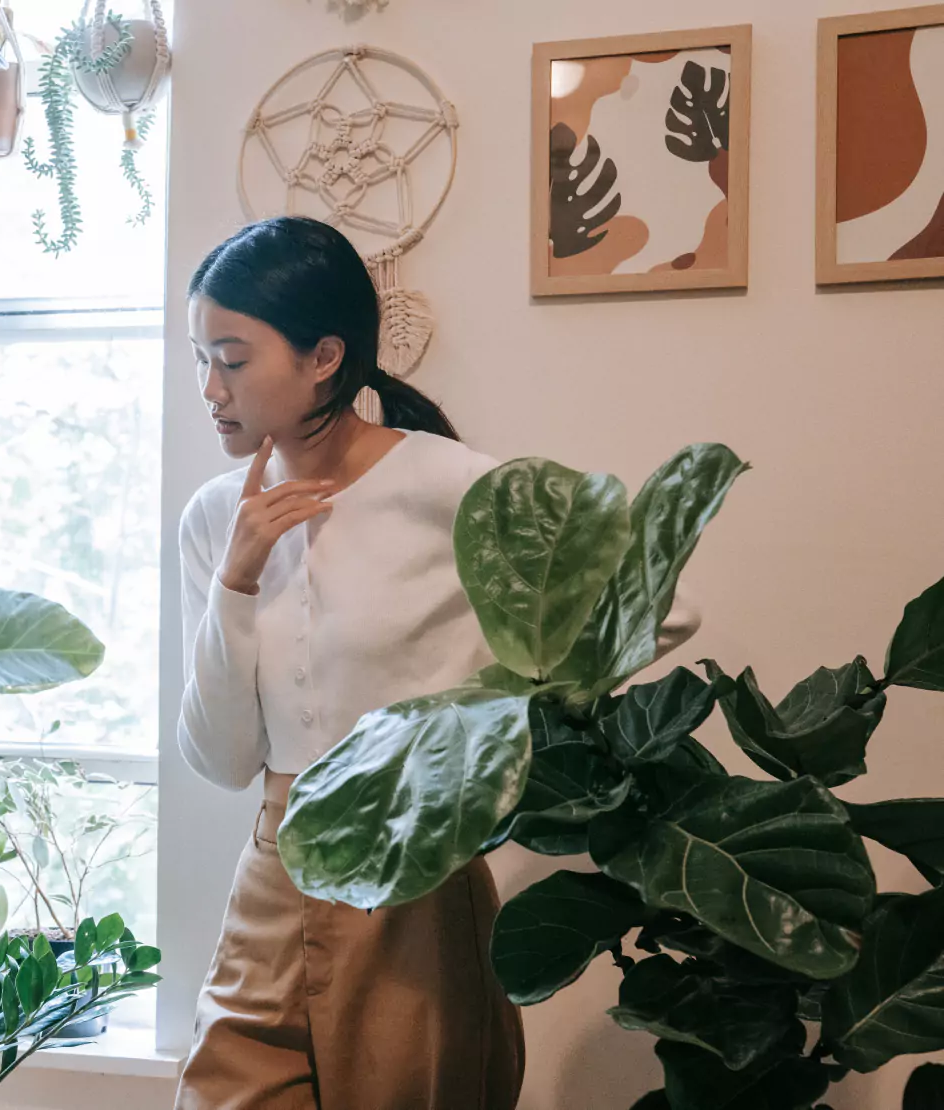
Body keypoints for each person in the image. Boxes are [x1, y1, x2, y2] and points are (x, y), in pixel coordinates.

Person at [173, 217, 699, 1110]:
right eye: (199, 358)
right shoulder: (216, 518)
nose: (209, 389)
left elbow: (662, 606)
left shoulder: (448, 485)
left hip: (414, 880)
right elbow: (222, 759)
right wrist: (236, 578)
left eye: (231, 358)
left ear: (323, 357)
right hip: (272, 874)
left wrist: (485, 725)